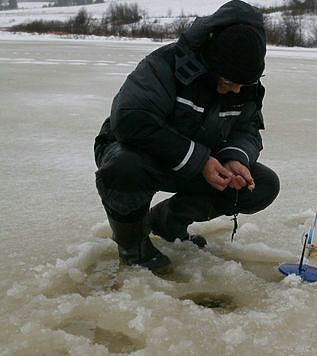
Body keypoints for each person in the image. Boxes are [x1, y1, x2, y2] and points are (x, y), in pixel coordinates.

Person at [93, 0, 280, 274]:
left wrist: (233, 158)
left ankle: (168, 220)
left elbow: (247, 129)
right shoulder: (164, 65)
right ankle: (133, 246)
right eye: (229, 82)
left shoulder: (245, 84)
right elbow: (130, 120)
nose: (238, 90)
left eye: (246, 83)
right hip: (139, 155)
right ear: (213, 63)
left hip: (197, 162)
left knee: (262, 184)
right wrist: (199, 159)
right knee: (124, 168)